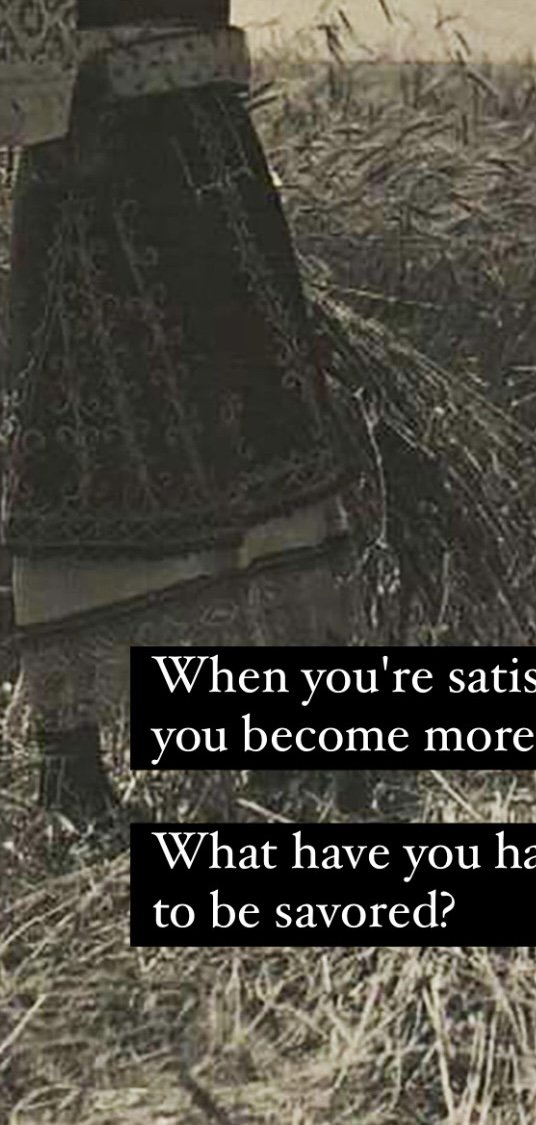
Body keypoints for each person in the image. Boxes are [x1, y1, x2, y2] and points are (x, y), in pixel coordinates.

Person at [0, 0, 375, 821]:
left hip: (187, 153)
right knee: (86, 447)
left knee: (260, 437)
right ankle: (73, 760)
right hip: (97, 155)